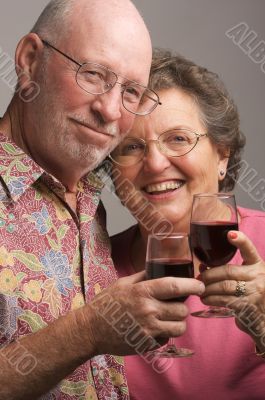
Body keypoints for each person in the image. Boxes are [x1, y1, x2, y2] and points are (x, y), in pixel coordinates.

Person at [0, 2, 205, 399]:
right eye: (93, 74)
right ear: (29, 61)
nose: (110, 110)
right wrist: (88, 331)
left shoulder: (91, 201)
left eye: (131, 91)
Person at [110, 49, 265, 399]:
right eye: (131, 147)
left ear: (221, 155)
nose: (154, 163)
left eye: (178, 139)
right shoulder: (91, 268)